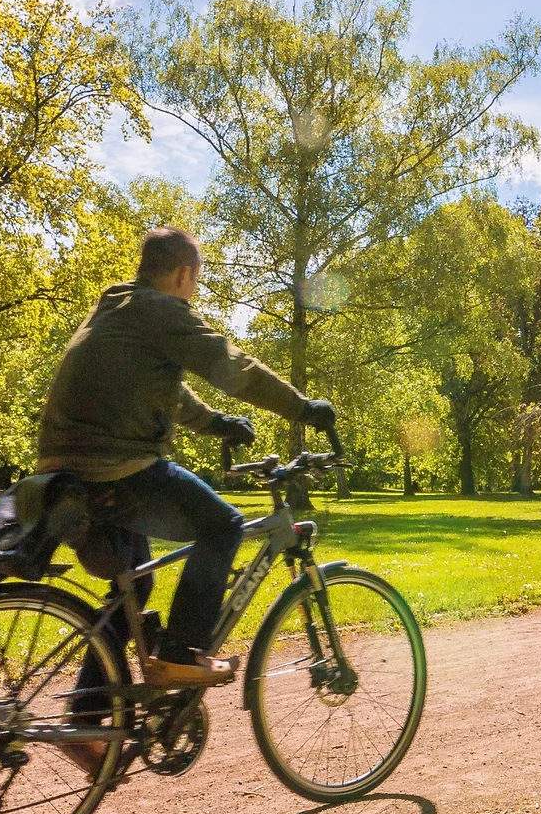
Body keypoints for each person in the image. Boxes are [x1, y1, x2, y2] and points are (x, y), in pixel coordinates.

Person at [37, 225, 335, 692]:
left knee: (134, 588)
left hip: (63, 469)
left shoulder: (118, 309)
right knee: (223, 525)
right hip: (114, 465)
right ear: (182, 274)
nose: (194, 290)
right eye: (196, 280)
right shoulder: (160, 311)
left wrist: (217, 423)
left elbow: (167, 392)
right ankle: (180, 655)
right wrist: (302, 408)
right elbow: (231, 365)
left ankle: (90, 711)